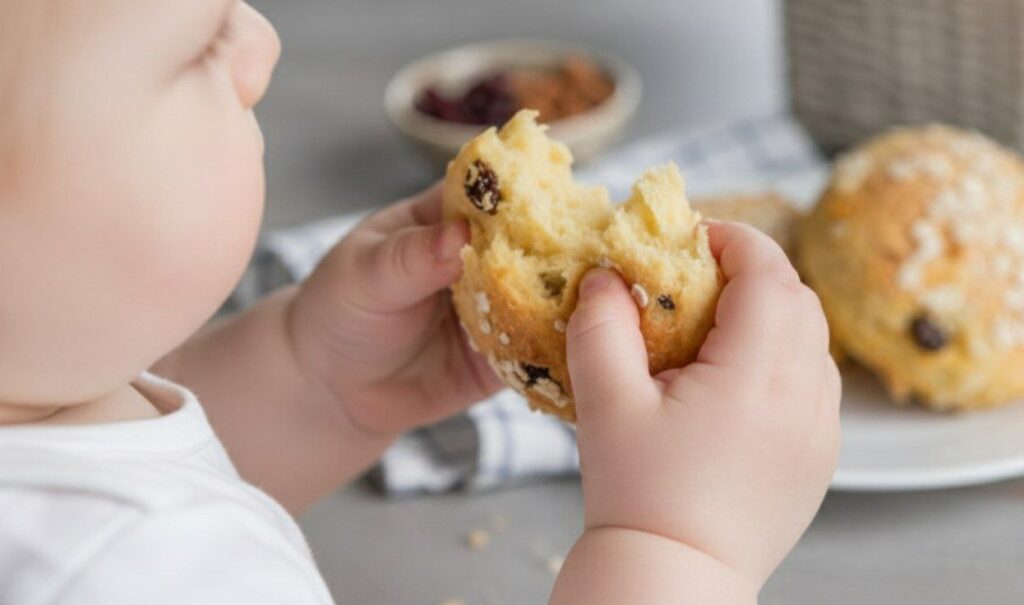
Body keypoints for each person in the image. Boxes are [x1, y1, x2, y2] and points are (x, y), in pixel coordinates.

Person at [0, 1, 840, 603]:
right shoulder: (128, 568)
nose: (258, 43)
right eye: (195, 46)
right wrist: (676, 547)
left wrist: (314, 384)